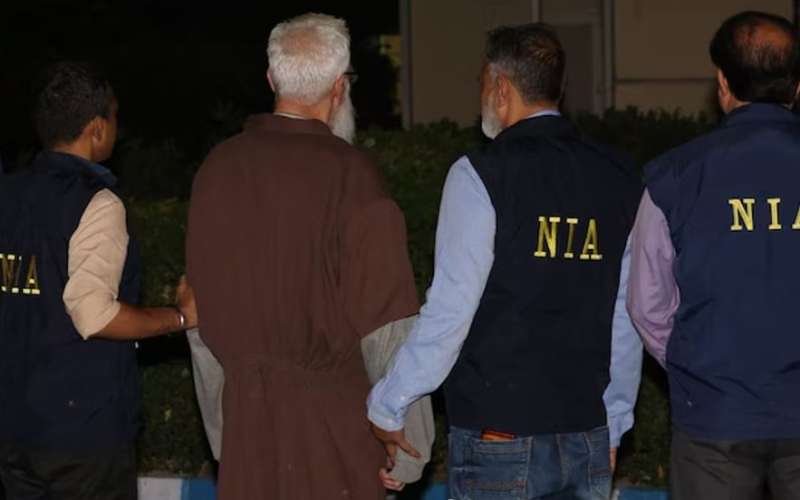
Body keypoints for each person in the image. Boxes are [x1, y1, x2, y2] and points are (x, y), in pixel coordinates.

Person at [368, 23, 643, 500]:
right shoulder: (619, 177)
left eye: (481, 83)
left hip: (499, 436)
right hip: (586, 434)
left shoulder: (480, 174)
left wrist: (388, 403)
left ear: (500, 87)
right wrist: (615, 424)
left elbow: (451, 310)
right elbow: (626, 315)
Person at [185, 13, 422, 500]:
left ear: (272, 80)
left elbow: (198, 321)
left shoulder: (216, 171)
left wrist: (225, 434)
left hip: (249, 438)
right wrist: (410, 443)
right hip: (337, 444)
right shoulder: (353, 178)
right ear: (339, 88)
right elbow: (388, 325)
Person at [0, 61, 196, 500]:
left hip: (13, 429)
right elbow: (94, 313)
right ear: (97, 128)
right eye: (115, 115)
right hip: (81, 439)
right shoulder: (97, 203)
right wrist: (180, 317)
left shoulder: (9, 194)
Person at [627, 11, 800, 500]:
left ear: (722, 84)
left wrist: (694, 363)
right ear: (797, 86)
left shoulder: (674, 177)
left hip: (714, 419)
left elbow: (646, 304)